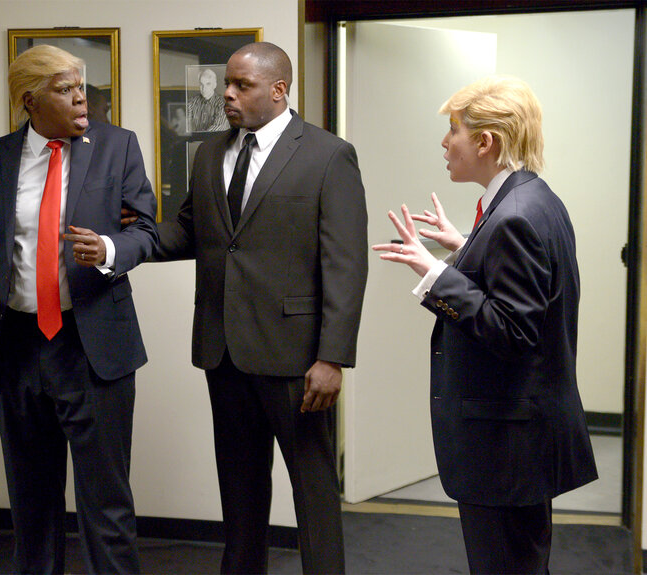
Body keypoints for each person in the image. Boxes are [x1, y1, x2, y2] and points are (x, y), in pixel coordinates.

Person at [0, 45, 157, 575]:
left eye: (81, 85)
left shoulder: (116, 146)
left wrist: (108, 250)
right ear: (30, 100)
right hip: (16, 350)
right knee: (31, 507)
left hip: (93, 346)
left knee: (106, 507)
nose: (81, 96)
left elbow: (144, 232)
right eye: (64, 88)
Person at [154, 42, 367, 574]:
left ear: (278, 90)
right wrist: (118, 246)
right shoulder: (209, 154)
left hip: (296, 356)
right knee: (240, 486)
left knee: (312, 489)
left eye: (241, 85)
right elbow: (189, 231)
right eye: (226, 83)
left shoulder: (327, 155)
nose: (226, 93)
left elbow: (346, 264)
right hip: (223, 350)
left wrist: (332, 357)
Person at [372, 76, 597, 574]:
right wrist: (465, 249)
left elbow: (514, 332)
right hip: (519, 438)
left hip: (506, 447)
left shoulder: (513, 215)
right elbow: (519, 290)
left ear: (485, 141)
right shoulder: (532, 199)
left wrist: (433, 275)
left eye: (453, 130)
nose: (445, 143)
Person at [186, 67, 229, 132]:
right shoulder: (191, 102)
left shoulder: (223, 104)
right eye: (201, 84)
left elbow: (217, 128)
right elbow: (185, 126)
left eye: (208, 84)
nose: (204, 88)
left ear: (214, 85)